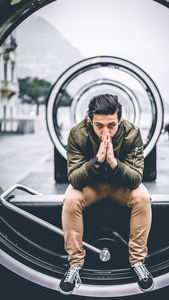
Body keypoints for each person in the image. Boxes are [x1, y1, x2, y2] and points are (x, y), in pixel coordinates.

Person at [59, 94, 154, 295]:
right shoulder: (77, 134)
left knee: (143, 197)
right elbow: (74, 178)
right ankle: (75, 264)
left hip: (119, 186)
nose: (105, 132)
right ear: (89, 121)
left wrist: (114, 163)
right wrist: (96, 161)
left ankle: (137, 261)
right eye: (98, 125)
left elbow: (136, 178)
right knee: (70, 199)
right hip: (91, 186)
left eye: (111, 125)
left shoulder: (132, 133)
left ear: (120, 120)